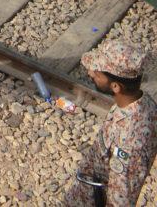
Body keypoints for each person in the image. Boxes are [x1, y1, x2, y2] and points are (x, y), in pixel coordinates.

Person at [63, 39, 157, 206]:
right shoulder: (139, 102)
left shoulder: (131, 138)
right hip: (88, 190)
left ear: (115, 87)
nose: (91, 73)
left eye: (98, 73)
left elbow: (121, 198)